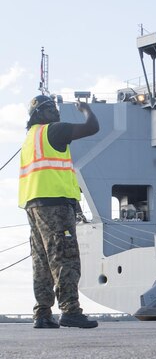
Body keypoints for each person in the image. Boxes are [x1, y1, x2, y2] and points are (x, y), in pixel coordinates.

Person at [19, 95, 100, 329]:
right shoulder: (53, 130)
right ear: (40, 114)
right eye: (51, 108)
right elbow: (92, 127)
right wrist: (86, 109)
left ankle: (42, 313)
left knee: (42, 260)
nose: (56, 112)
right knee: (65, 255)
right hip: (55, 204)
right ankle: (70, 310)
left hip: (33, 204)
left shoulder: (29, 138)